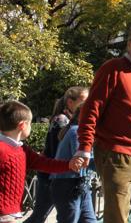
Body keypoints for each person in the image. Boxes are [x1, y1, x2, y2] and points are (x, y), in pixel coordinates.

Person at [73, 23, 131, 222]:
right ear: (129, 43)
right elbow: (91, 109)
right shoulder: (113, 68)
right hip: (115, 153)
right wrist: (84, 147)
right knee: (117, 218)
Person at [0, 101, 81, 223]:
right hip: (4, 214)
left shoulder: (22, 150)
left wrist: (68, 165)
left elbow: (44, 163)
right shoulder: (2, 149)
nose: (31, 127)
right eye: (30, 124)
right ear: (22, 125)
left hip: (12, 212)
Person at [25, 86, 88, 223]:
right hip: (53, 174)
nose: (88, 103)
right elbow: (56, 151)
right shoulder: (62, 120)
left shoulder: (69, 120)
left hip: (58, 174)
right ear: (70, 102)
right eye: (84, 100)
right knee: (39, 216)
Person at [50, 105, 97, 223]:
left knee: (90, 221)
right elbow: (80, 162)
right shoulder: (76, 131)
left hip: (79, 183)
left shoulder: (75, 129)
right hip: (67, 184)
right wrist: (106, 162)